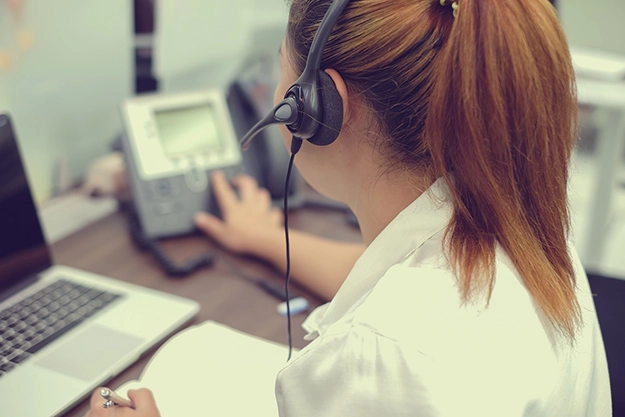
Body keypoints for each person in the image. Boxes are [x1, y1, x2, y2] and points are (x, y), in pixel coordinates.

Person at [85, 0, 611, 415]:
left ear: (321, 105)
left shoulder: (390, 364)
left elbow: (395, 338)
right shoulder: (517, 219)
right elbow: (384, 278)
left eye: (281, 71)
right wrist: (265, 239)